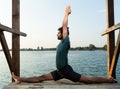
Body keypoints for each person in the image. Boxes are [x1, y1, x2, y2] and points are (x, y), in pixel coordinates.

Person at [12, 5, 117, 84]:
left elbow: (64, 26)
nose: (57, 34)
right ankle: (19, 79)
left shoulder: (65, 40)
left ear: (63, 33)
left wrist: (66, 13)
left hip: (65, 71)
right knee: (41, 77)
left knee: (87, 80)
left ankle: (109, 80)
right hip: (60, 71)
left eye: (59, 32)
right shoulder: (61, 43)